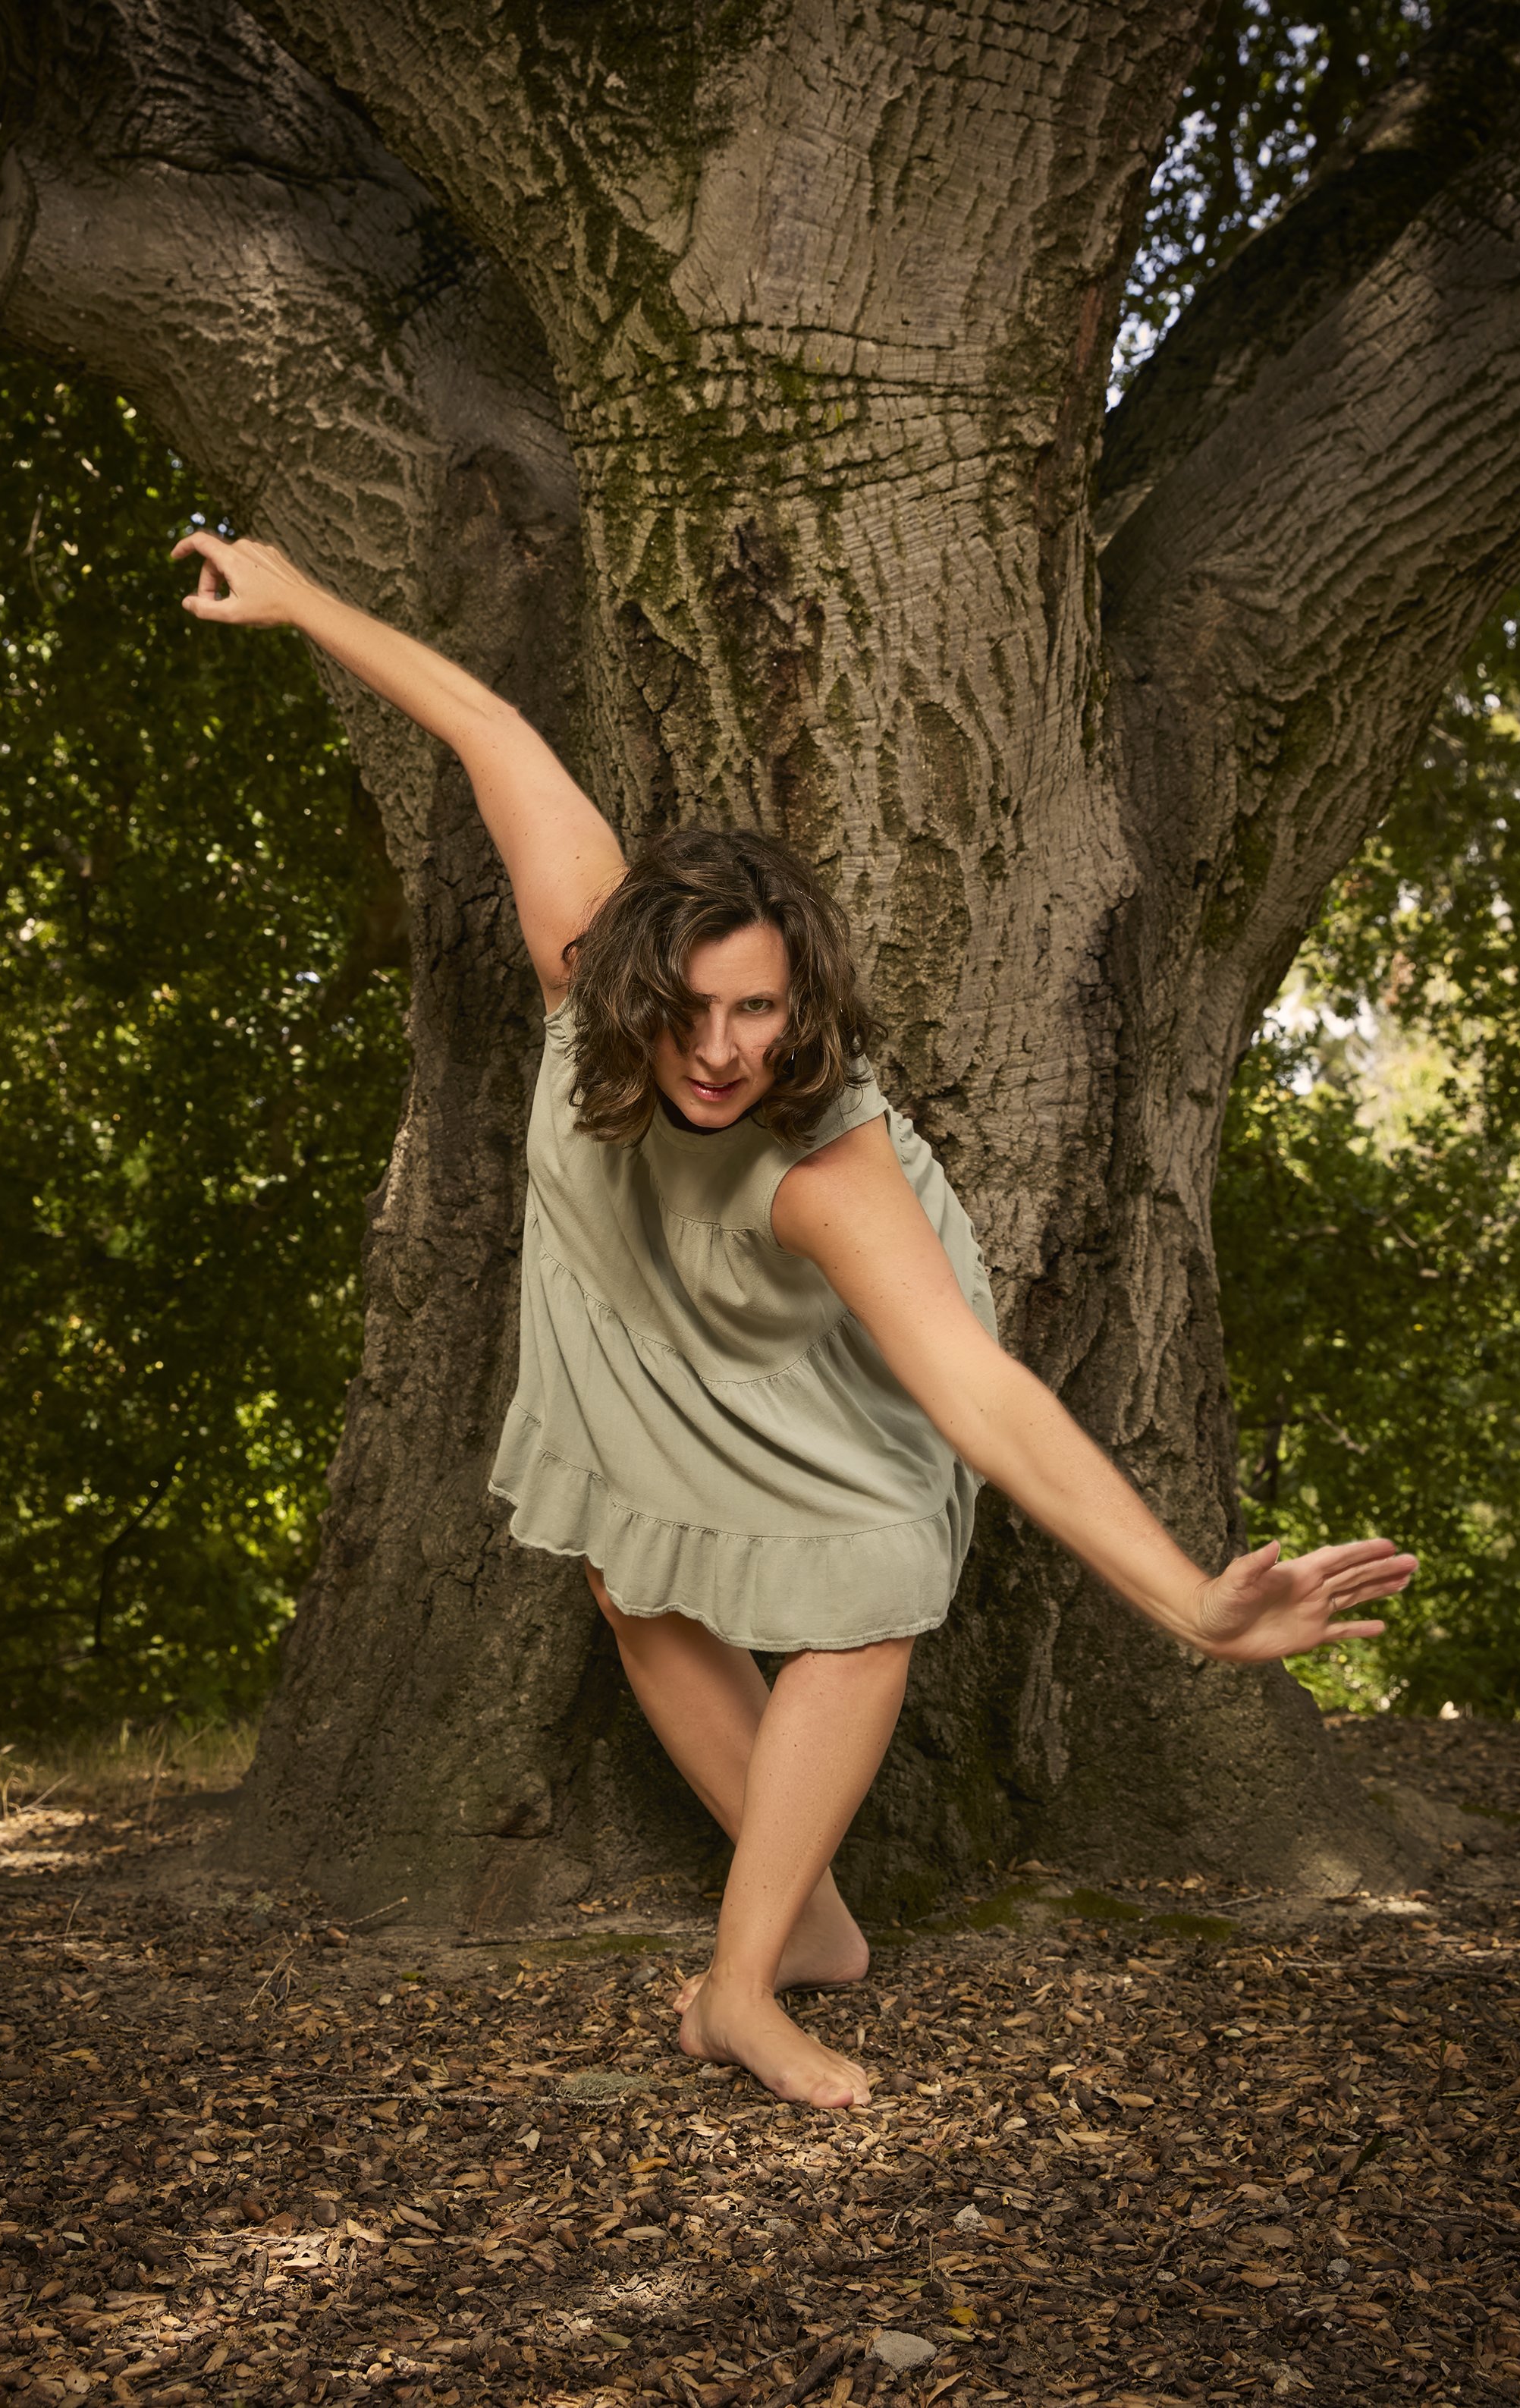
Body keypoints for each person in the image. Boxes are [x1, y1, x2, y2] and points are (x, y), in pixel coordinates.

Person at [173, 529, 1417, 2112]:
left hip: (822, 1350)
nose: (717, 1047)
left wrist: (1192, 1603)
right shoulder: (584, 960)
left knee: (879, 1584)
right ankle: (807, 1917)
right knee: (638, 1591)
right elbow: (489, 727)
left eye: (757, 1008)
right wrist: (296, 601)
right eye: (686, 1007)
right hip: (634, 1315)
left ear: (801, 1001)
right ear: (621, 975)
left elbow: (979, 1389)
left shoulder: (825, 1164)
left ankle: (740, 1992)